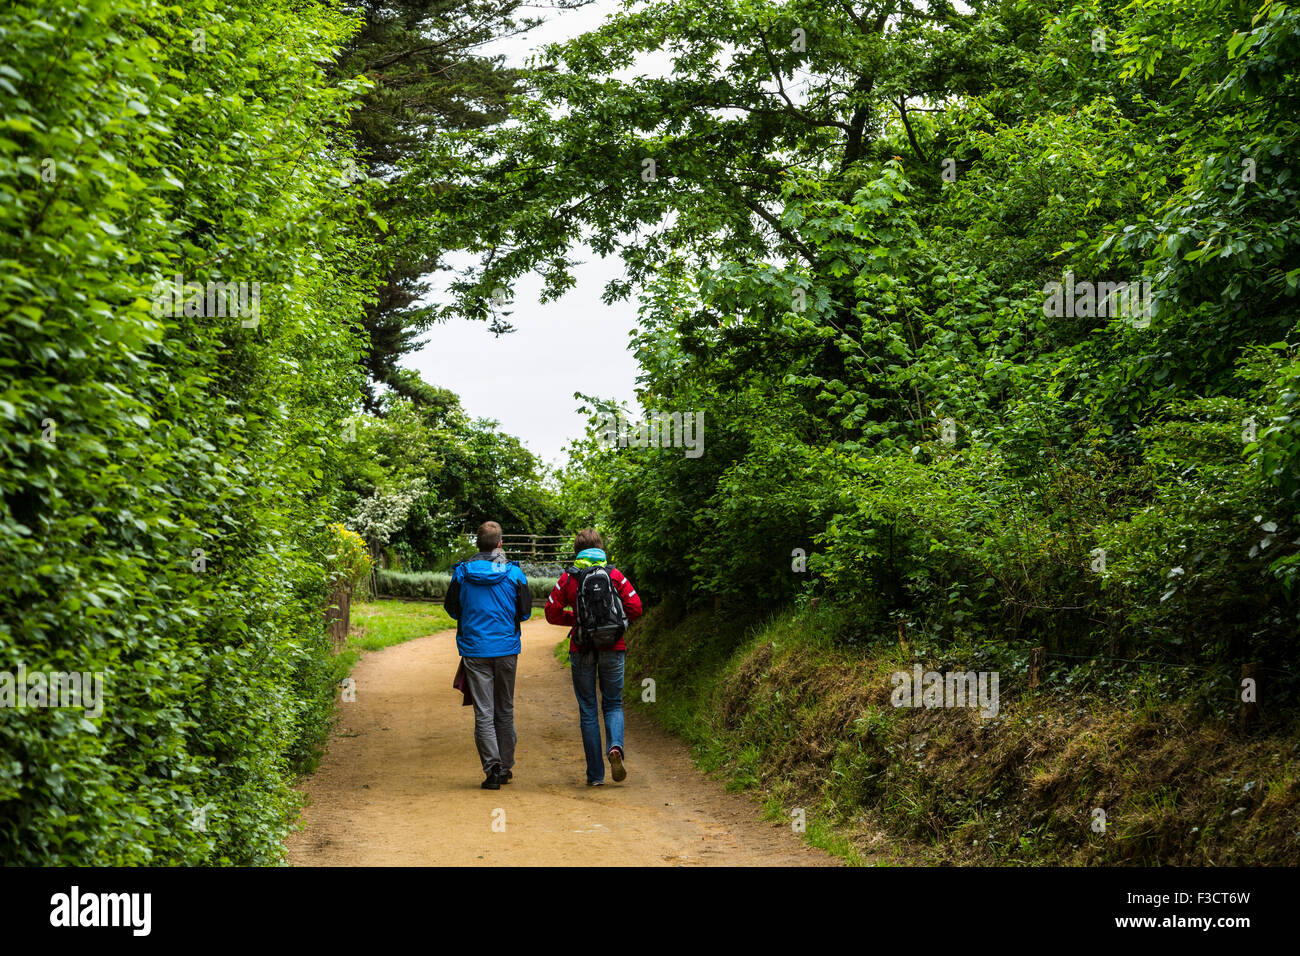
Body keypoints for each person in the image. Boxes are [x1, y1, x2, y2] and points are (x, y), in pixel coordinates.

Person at [545, 529, 642, 786]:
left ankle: (595, 776)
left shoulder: (568, 578)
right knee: (613, 703)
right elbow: (636, 608)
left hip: (582, 648)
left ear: (576, 551)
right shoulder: (614, 575)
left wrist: (577, 621)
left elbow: (551, 612)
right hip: (614, 646)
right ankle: (615, 748)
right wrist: (616, 623)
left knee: (588, 710)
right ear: (600, 547)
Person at [443, 521, 532, 790]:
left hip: (474, 649)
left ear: (477, 545)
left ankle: (492, 768)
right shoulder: (515, 573)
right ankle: (505, 767)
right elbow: (525, 612)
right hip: (506, 649)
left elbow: (452, 608)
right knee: (505, 709)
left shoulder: (462, 573)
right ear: (500, 544)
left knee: (484, 712)